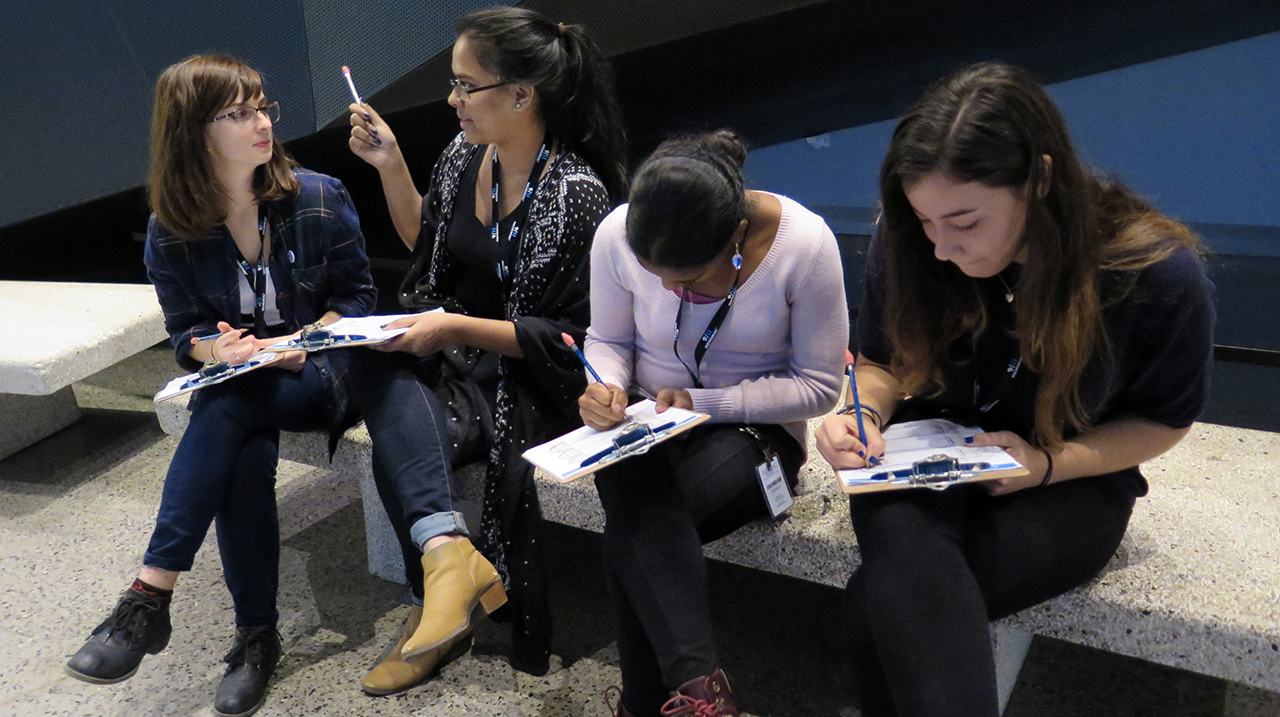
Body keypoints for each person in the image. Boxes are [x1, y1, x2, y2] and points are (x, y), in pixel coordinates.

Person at [815, 62, 1215, 717]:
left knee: (879, 604)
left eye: (965, 222)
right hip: (922, 442)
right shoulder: (911, 242)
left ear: (1040, 179)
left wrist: (1048, 464)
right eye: (924, 220)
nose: (941, 247)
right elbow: (883, 363)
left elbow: (1162, 422)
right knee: (901, 586)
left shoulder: (1154, 275)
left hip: (1070, 473)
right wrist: (859, 412)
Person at [64, 55, 377, 717]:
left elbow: (359, 302)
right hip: (249, 384)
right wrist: (218, 347)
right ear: (191, 132)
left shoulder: (317, 196)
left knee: (228, 400)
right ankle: (255, 635)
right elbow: (185, 333)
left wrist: (296, 343)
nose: (261, 123)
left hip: (323, 372)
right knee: (240, 441)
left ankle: (151, 596)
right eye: (237, 113)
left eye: (262, 106)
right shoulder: (170, 230)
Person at [345, 6, 627, 690]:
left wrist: (454, 329)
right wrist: (390, 166)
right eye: (453, 82)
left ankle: (438, 604)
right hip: (465, 360)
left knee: (402, 410)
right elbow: (431, 246)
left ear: (522, 94)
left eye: (467, 85)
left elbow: (571, 341)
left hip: (534, 383)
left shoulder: (575, 193)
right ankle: (448, 560)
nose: (452, 99)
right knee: (375, 362)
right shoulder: (464, 155)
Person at [579, 130, 849, 717]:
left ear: (736, 237)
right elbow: (606, 339)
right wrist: (607, 385)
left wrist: (708, 403)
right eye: (658, 278)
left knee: (635, 526)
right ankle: (700, 692)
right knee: (626, 477)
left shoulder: (804, 246)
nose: (673, 291)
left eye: (692, 280)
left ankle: (647, 703)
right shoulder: (616, 235)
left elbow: (820, 387)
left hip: (755, 434)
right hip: (648, 420)